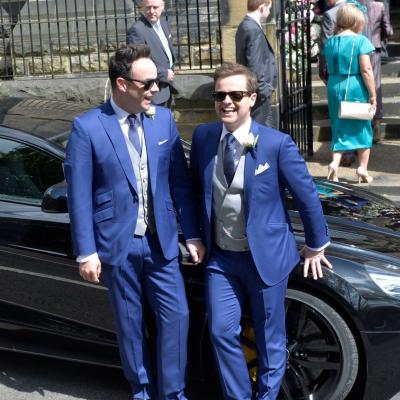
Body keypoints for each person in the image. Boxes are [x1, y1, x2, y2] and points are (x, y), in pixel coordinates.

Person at [65, 44, 205, 400]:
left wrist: (192, 234)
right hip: (117, 242)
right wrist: (86, 252)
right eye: (147, 84)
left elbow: (180, 184)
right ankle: (141, 392)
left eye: (158, 82)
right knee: (130, 323)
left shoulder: (163, 120)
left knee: (177, 316)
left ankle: (172, 393)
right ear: (121, 84)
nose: (155, 90)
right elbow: (79, 195)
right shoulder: (87, 127)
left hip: (161, 239)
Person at [190, 62, 331, 400]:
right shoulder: (203, 137)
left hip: (265, 258)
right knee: (221, 332)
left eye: (236, 95)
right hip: (221, 259)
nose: (227, 102)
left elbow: (306, 195)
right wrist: (194, 235)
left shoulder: (276, 143)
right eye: (220, 95)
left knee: (271, 338)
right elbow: (194, 191)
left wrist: (316, 244)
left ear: (252, 99)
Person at [324, 3, 377, 183]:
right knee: (362, 126)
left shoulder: (331, 42)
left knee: (338, 125)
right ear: (355, 21)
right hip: (355, 85)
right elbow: (366, 70)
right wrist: (373, 95)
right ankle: (362, 168)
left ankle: (334, 164)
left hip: (334, 85)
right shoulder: (360, 41)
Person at [235, 0, 278, 128]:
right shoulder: (253, 29)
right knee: (258, 132)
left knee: (265, 132)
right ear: (262, 7)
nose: (269, 12)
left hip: (255, 92)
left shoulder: (245, 25)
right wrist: (264, 91)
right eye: (269, 8)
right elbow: (255, 65)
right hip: (259, 95)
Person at [127, 0, 177, 107]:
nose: (151, 11)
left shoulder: (163, 23)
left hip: (166, 88)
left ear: (163, 6)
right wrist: (163, 73)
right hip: (151, 94)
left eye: (155, 7)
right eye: (148, 7)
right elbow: (137, 64)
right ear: (142, 7)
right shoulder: (137, 30)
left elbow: (166, 51)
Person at [365, 0, 393, 142]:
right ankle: (376, 124)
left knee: (360, 83)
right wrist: (380, 36)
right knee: (375, 85)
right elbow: (388, 31)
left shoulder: (351, 4)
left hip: (356, 48)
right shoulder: (379, 6)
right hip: (374, 48)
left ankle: (362, 125)